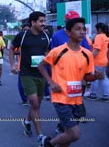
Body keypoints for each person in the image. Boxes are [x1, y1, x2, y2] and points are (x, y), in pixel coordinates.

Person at [37, 17, 104, 147]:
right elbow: (41, 65)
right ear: (68, 32)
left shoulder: (87, 54)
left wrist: (95, 76)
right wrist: (51, 82)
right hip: (60, 97)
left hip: (77, 98)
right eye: (77, 29)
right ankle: (47, 142)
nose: (82, 32)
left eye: (84, 29)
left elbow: (86, 77)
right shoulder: (58, 51)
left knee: (68, 134)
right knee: (74, 134)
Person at [8, 11, 50, 146]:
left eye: (44, 21)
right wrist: (13, 64)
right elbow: (11, 48)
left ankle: (26, 122)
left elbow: (48, 53)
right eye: (41, 21)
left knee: (36, 105)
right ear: (33, 22)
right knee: (34, 103)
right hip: (26, 74)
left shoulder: (46, 36)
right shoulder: (23, 35)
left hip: (41, 74)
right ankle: (40, 136)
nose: (44, 24)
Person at [87, 22, 109, 101]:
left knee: (95, 78)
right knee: (105, 78)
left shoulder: (99, 36)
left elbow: (96, 50)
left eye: (96, 29)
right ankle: (106, 96)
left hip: (98, 61)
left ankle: (93, 95)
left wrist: (90, 59)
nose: (96, 31)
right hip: (106, 61)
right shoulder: (107, 37)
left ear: (99, 29)